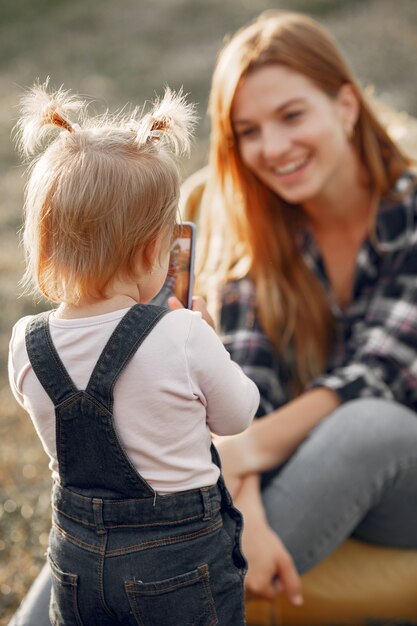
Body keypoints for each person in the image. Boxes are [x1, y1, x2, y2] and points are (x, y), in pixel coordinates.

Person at [8, 81, 262, 625]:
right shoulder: (183, 333)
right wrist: (206, 339)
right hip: (177, 558)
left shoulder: (25, 340)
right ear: (157, 249)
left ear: (45, 244)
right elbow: (237, 415)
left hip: (74, 554)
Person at [187, 9, 417, 601]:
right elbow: (237, 390)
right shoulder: (259, 227)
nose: (274, 148)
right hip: (296, 478)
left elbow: (381, 375)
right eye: (250, 131)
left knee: (369, 426)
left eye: (291, 115)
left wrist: (246, 452)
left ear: (345, 105)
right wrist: (248, 513)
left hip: (401, 484)